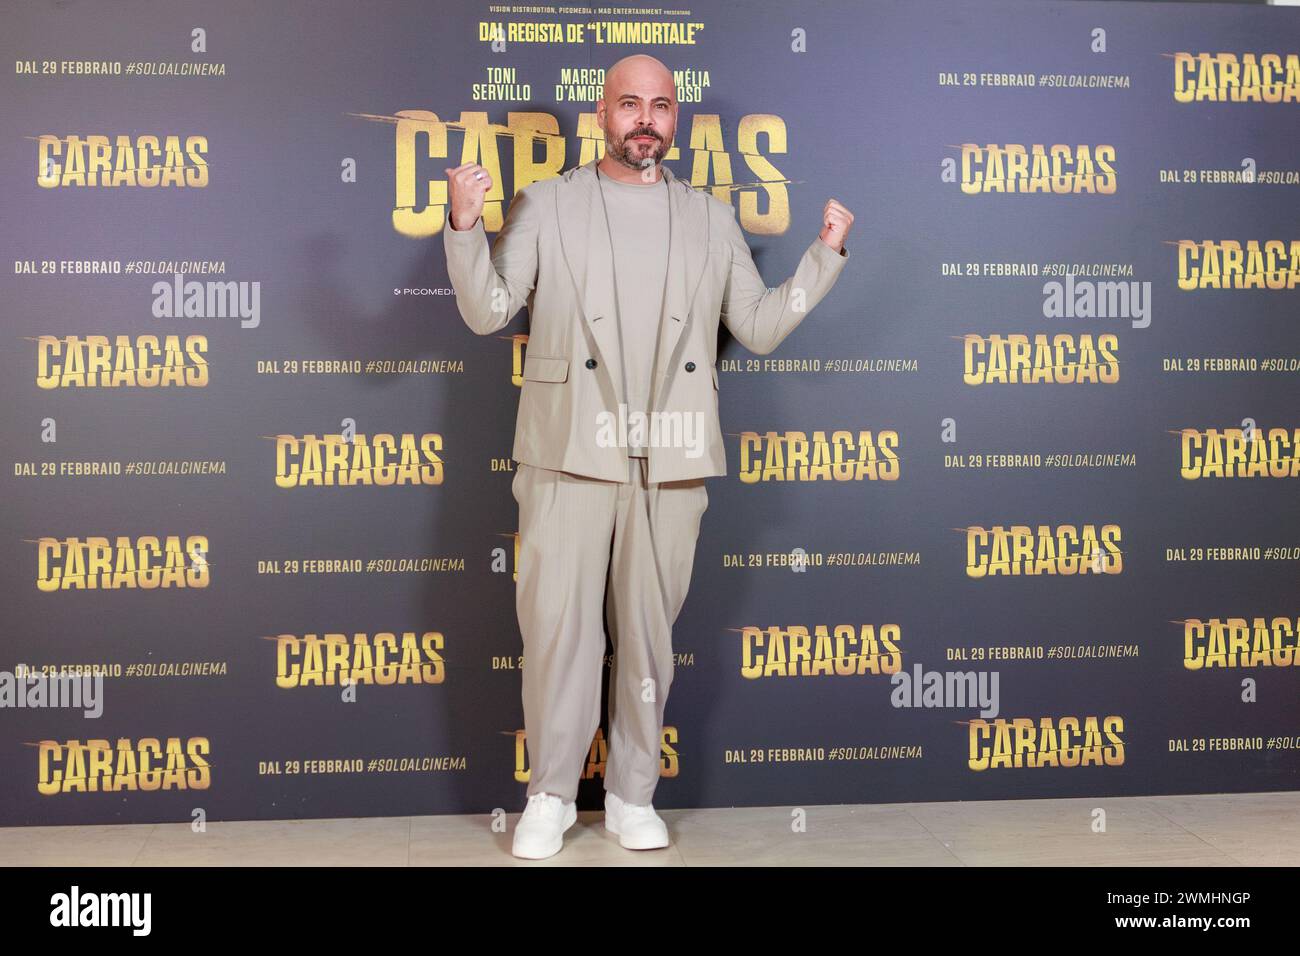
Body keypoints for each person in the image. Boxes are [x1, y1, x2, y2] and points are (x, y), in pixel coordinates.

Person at [443, 53, 854, 859]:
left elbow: (761, 328)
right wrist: (463, 226)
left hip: (668, 461)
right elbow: (489, 311)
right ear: (603, 113)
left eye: (660, 107)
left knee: (646, 641)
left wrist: (824, 255)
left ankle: (633, 795)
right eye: (630, 104)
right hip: (567, 454)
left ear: (675, 120)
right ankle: (551, 797)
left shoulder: (711, 218)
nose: (645, 120)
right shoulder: (549, 204)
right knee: (558, 636)